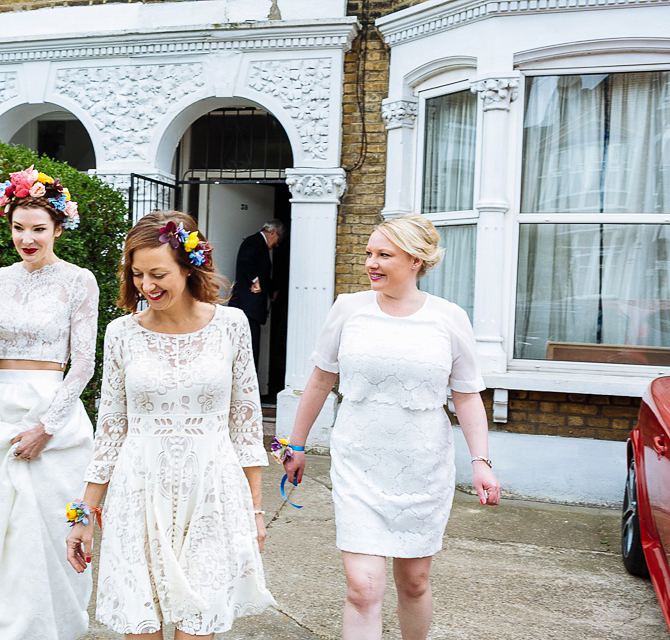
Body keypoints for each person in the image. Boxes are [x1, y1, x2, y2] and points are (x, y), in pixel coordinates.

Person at [282, 213, 501, 640]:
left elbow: (467, 394)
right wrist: (296, 444)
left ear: (417, 260)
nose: (371, 263)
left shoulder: (450, 318)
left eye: (385, 254)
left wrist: (481, 461)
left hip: (423, 466)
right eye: (368, 253)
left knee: (414, 582)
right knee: (364, 588)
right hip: (359, 462)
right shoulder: (348, 309)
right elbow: (320, 380)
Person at [66, 211, 276, 639]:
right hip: (138, 491)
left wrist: (254, 510)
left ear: (188, 265)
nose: (147, 286)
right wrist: (83, 515)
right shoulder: (121, 333)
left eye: (158, 273)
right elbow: (110, 426)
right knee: (139, 626)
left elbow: (245, 422)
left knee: (198, 626)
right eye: (138, 274)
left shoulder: (232, 325)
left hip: (212, 492)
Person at [0, 166, 98, 640]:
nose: (27, 239)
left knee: (49, 531)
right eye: (18, 228)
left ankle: (58, 627)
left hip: (50, 414)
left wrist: (46, 427)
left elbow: (84, 364)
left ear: (59, 228)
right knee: (0, 535)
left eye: (38, 229)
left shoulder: (79, 280)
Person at [228, 219, 285, 367]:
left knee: (252, 348)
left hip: (252, 309)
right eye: (278, 240)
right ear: (273, 232)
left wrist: (272, 289)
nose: (276, 245)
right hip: (246, 307)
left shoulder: (259, 245)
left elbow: (263, 273)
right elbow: (245, 261)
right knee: (248, 348)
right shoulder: (253, 241)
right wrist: (255, 280)